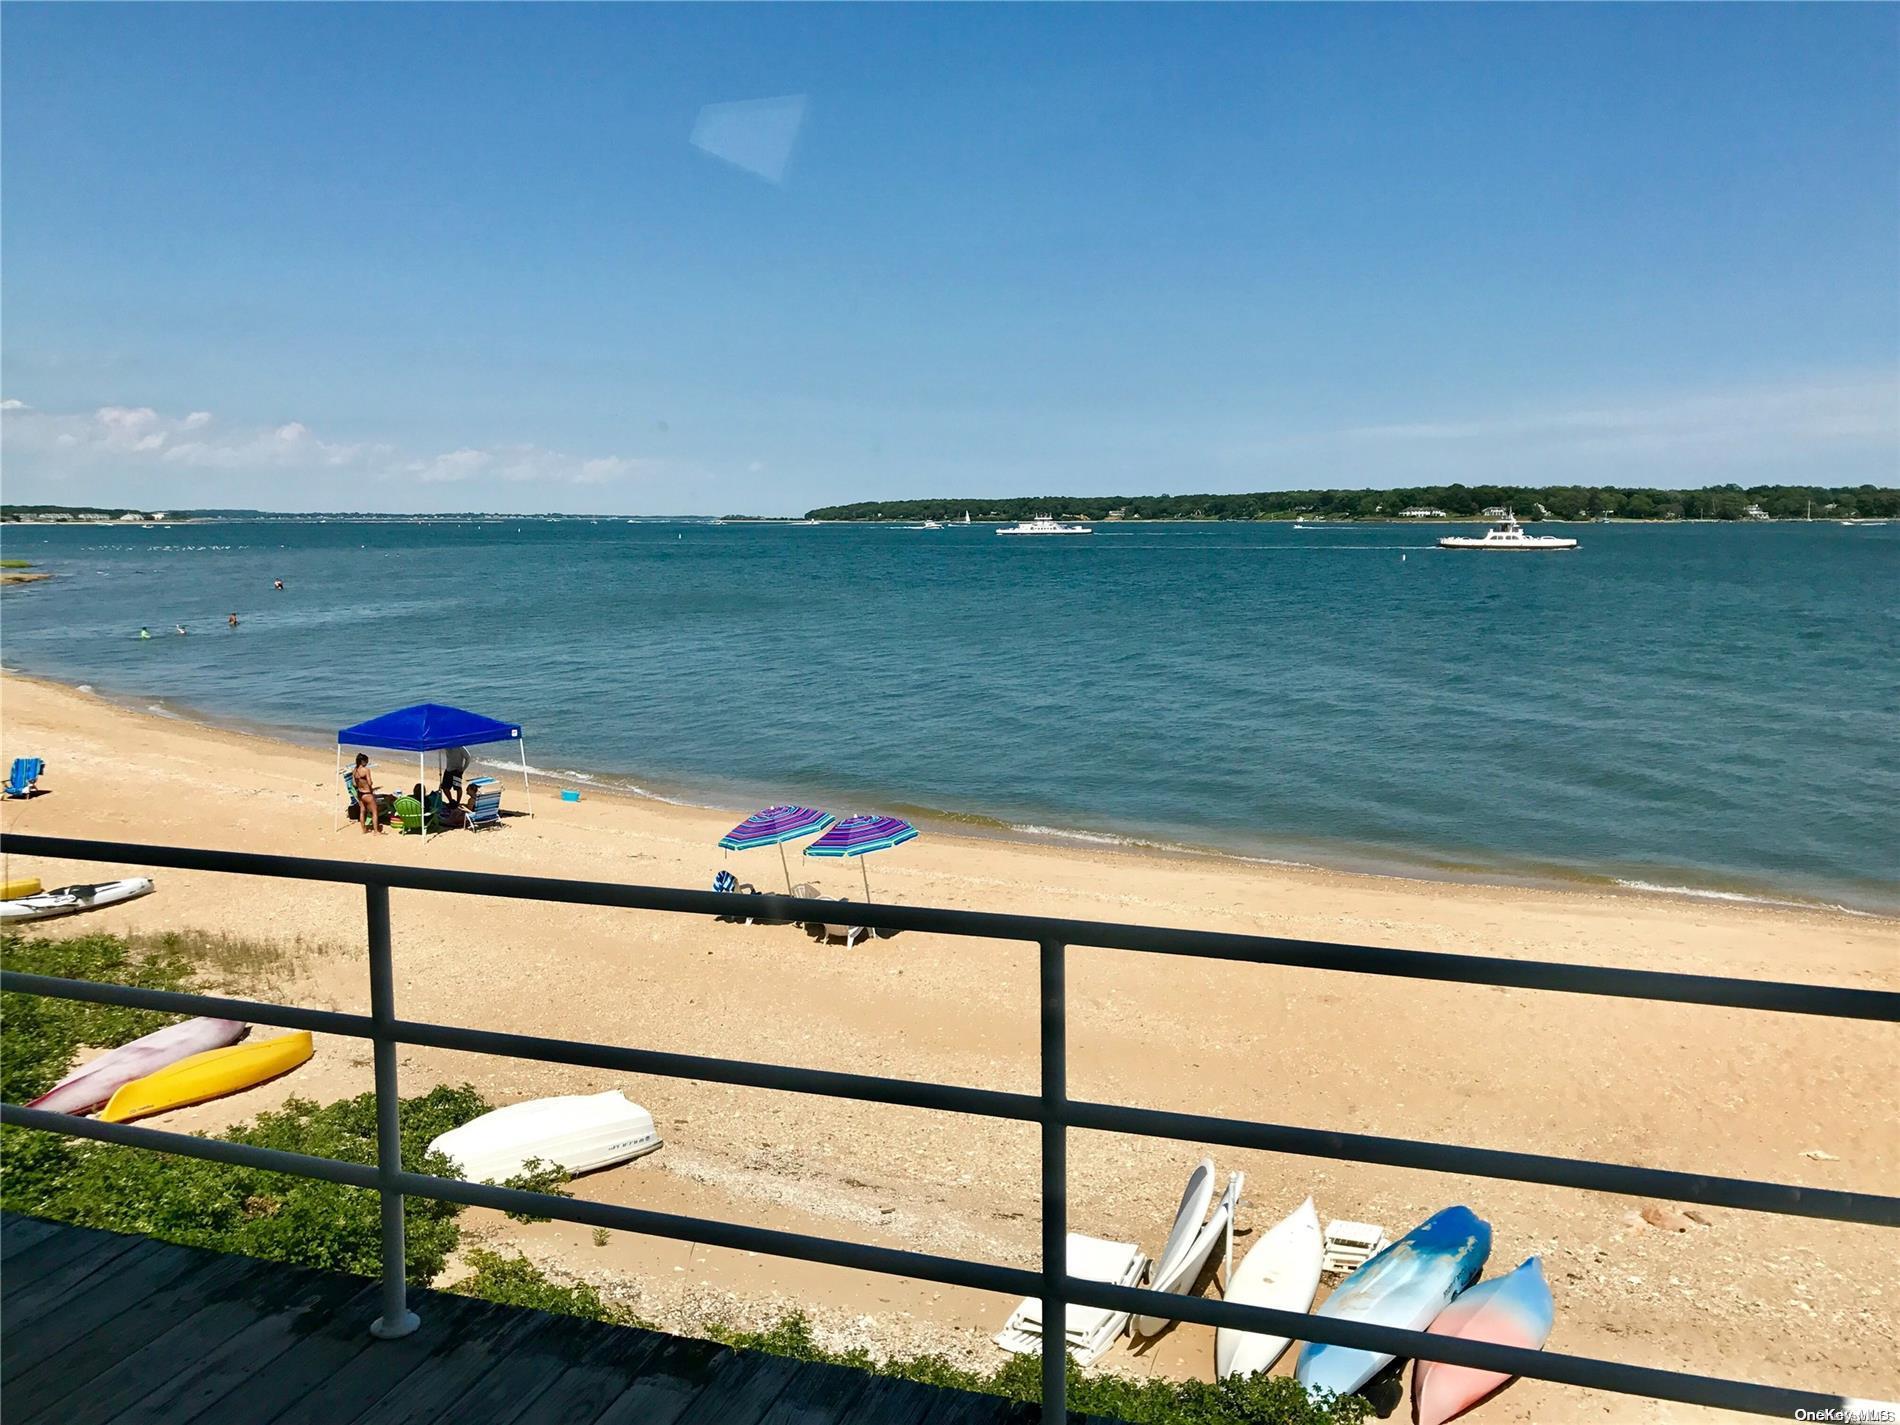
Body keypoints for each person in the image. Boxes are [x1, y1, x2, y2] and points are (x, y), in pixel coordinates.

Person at [353, 754, 382, 834]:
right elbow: (369, 782)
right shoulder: (366, 770)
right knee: (374, 812)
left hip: (360, 793)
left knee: (362, 811)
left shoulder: (355, 770)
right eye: (366, 761)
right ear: (363, 761)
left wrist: (361, 784)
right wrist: (369, 783)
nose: (367, 763)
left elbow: (354, 784)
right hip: (367, 793)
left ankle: (364, 830)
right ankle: (376, 831)